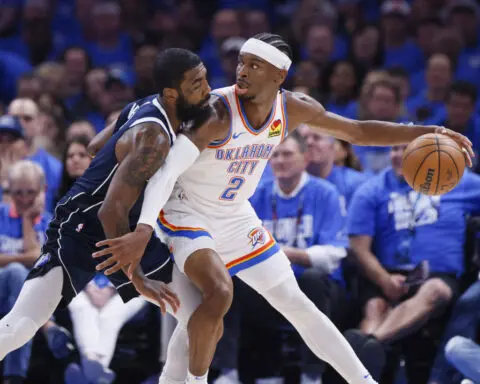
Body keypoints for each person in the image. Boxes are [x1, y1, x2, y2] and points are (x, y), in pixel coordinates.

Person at [95, 33, 473, 384]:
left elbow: (358, 131)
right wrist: (144, 228)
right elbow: (167, 172)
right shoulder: (216, 112)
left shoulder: (293, 108)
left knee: (297, 306)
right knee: (217, 292)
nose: (242, 71)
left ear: (279, 75)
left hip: (234, 214)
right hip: (184, 211)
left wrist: (426, 133)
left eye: (254, 65)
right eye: (241, 62)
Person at [0, 48, 217, 373]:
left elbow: (94, 146)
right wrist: (136, 279)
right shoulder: (153, 140)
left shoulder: (144, 105)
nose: (208, 89)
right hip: (83, 228)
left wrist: (120, 165)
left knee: (196, 312)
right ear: (173, 93)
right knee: (21, 324)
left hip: (120, 222)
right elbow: (109, 211)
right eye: (197, 83)